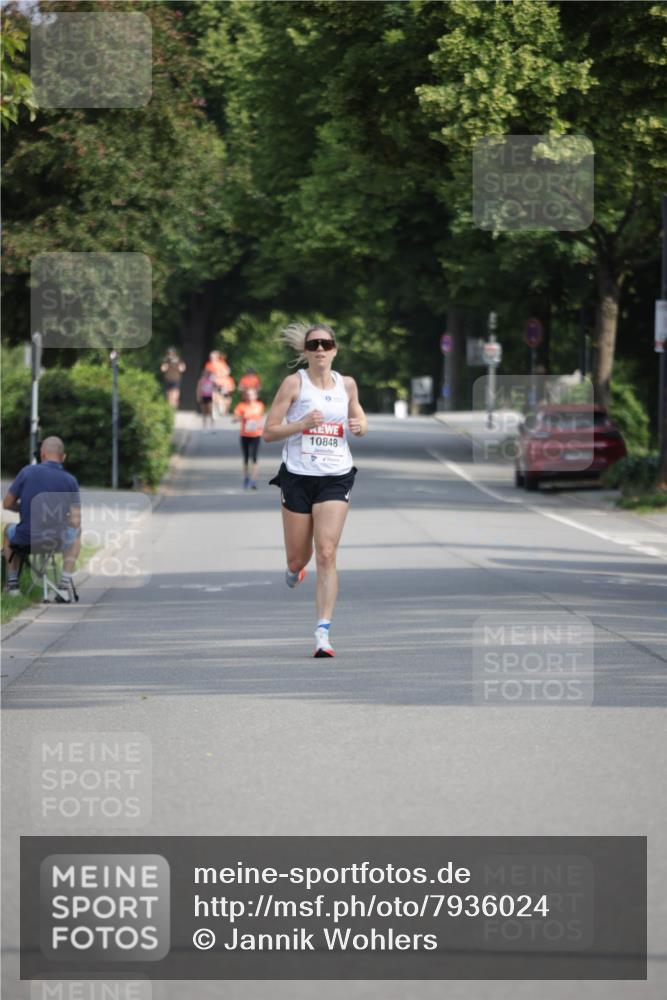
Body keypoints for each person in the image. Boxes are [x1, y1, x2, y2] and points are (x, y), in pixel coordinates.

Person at [263, 322, 367, 658]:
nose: (320, 349)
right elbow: (269, 432)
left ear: (335, 350)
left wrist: (360, 425)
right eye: (314, 345)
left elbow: (359, 418)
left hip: (335, 475)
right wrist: (301, 425)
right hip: (297, 475)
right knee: (299, 556)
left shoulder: (347, 385)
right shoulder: (294, 384)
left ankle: (323, 632)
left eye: (326, 344)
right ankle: (295, 569)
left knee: (326, 551)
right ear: (306, 352)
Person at [2, 436, 81, 599]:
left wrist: (25, 508)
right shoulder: (70, 480)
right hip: (56, 541)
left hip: (25, 540)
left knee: (7, 530)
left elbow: (7, 504)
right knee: (77, 532)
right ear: (63, 457)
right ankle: (64, 585)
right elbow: (75, 521)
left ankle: (12, 585)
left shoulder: (26, 472)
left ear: (42, 454)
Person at [232, 387, 266, 489]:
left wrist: (261, 424)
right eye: (248, 395)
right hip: (245, 435)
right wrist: (243, 417)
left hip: (256, 435)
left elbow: (261, 418)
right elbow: (234, 419)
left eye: (252, 395)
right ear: (245, 396)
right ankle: (246, 477)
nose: (250, 397)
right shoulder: (241, 406)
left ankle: (254, 480)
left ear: (255, 396)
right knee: (246, 458)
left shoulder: (259, 405)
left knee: (254, 458)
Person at [205, 350, 235, 416]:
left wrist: (219, 375)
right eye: (211, 356)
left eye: (213, 356)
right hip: (214, 383)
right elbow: (206, 373)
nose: (211, 358)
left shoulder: (222, 363)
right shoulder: (209, 364)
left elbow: (227, 372)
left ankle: (222, 408)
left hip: (223, 383)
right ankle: (217, 408)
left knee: (224, 396)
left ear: (217, 357)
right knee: (214, 395)